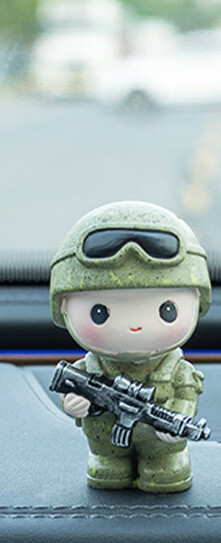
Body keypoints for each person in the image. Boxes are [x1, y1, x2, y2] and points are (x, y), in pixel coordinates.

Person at [49, 200, 212, 492]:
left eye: (166, 311)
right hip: (104, 443)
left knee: (164, 468)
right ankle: (108, 459)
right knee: (107, 463)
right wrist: (72, 402)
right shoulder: (92, 368)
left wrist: (180, 418)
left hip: (161, 448)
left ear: (197, 300)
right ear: (63, 305)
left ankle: (164, 460)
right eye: (99, 312)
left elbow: (186, 395)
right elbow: (71, 390)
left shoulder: (176, 369)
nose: (135, 327)